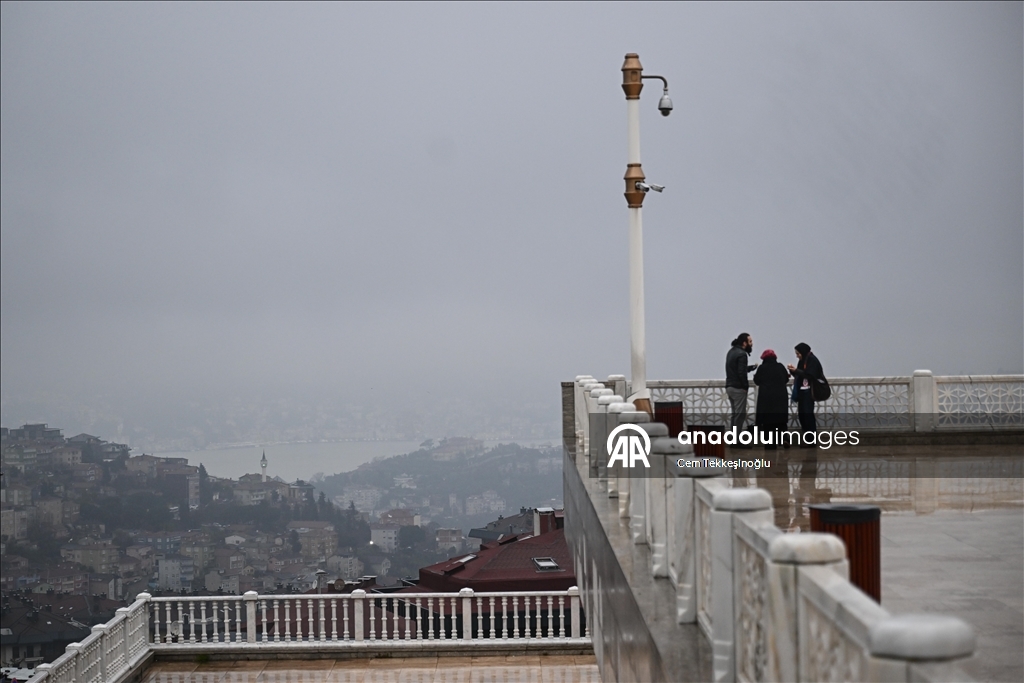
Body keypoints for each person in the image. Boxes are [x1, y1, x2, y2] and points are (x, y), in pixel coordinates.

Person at [788, 342, 823, 447]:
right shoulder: (802, 361)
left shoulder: (812, 360)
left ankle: (811, 440)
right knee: (802, 415)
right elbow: (800, 374)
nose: (797, 355)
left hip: (809, 392)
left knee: (808, 415)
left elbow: (809, 375)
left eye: (798, 353)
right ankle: (807, 439)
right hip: (802, 391)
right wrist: (793, 371)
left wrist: (796, 371)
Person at [753, 349, 789, 449]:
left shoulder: (762, 368)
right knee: (781, 421)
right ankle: (784, 439)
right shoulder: (780, 367)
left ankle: (770, 444)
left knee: (768, 423)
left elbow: (757, 381)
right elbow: (786, 379)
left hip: (766, 399)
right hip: (780, 397)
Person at [725, 333, 757, 445]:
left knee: (735, 414)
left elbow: (737, 369)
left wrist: (750, 368)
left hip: (729, 386)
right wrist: (745, 387)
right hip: (738, 388)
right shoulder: (742, 354)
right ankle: (736, 441)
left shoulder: (731, 351)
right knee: (740, 415)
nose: (752, 344)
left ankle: (733, 439)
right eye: (750, 341)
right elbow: (741, 373)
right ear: (744, 343)